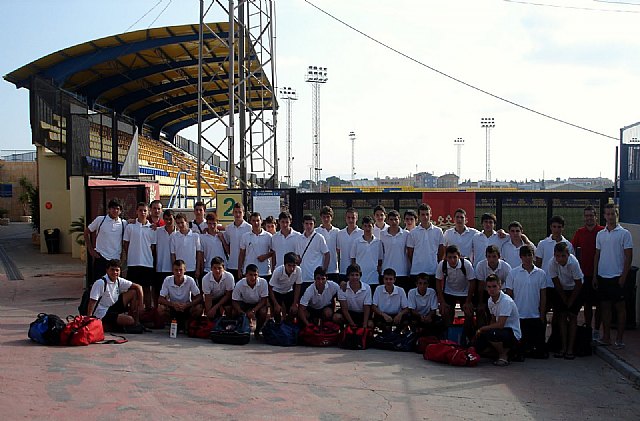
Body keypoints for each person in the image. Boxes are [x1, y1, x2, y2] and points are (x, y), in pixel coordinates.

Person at [594, 203, 633, 349]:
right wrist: (595, 276)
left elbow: (628, 257)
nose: (610, 217)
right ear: (604, 216)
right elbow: (597, 255)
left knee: (620, 308)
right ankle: (606, 337)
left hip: (618, 277)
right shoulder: (600, 234)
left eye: (613, 214)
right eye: (608, 214)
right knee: (605, 308)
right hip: (603, 276)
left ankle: (620, 339)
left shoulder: (625, 234)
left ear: (617, 215)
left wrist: (624, 276)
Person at [505, 245, 547, 357]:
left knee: (540, 353)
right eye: (525, 255)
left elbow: (543, 297)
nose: (527, 258)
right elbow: (509, 296)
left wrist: (542, 315)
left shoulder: (541, 274)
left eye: (530, 255)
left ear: (533, 256)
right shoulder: (513, 273)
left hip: (535, 316)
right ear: (520, 257)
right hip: (519, 317)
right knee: (519, 351)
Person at [571, 205, 604, 340]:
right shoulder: (580, 232)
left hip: (600, 274)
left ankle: (597, 329)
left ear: (596, 216)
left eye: (591, 215)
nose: (589, 218)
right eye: (587, 216)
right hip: (584, 274)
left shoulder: (602, 232)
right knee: (587, 304)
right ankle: (588, 329)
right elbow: (572, 250)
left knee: (600, 305)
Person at [476, 275, 522, 367]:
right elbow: (493, 319)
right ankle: (496, 351)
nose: (491, 289)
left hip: (512, 334)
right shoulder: (490, 301)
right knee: (480, 342)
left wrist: (483, 328)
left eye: (494, 286)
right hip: (500, 331)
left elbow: (501, 324)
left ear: (500, 286)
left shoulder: (506, 301)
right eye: (489, 287)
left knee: (490, 333)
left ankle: (503, 355)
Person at [548, 242, 584, 359]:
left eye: (563, 256)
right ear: (554, 255)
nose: (560, 259)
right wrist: (564, 299)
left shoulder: (573, 263)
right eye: (558, 256)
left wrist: (571, 301)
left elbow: (578, 283)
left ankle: (570, 349)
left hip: (575, 289)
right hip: (561, 289)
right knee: (562, 316)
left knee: (572, 316)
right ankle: (563, 347)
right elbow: (556, 282)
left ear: (568, 255)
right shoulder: (552, 263)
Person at [87, 259, 143, 331]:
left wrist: (141, 305)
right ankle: (109, 325)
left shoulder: (119, 280)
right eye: (112, 270)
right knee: (130, 320)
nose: (114, 272)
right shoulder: (100, 283)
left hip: (113, 306)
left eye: (117, 270)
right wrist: (89, 319)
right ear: (107, 270)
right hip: (103, 312)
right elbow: (92, 302)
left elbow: (138, 287)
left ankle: (136, 321)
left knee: (133, 292)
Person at [436, 244, 476, 339]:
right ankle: (449, 336)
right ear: (446, 257)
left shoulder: (466, 264)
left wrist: (468, 301)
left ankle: (466, 336)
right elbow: (438, 282)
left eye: (455, 257)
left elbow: (472, 282)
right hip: (449, 292)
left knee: (469, 312)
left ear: (459, 256)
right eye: (449, 257)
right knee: (445, 312)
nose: (452, 260)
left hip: (465, 293)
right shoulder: (442, 264)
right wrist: (442, 302)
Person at [123, 202, 157, 311]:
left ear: (148, 213)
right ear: (136, 211)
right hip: (133, 263)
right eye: (140, 210)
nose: (143, 212)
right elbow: (126, 244)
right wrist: (133, 254)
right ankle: (134, 312)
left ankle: (147, 312)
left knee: (147, 289)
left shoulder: (152, 229)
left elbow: (152, 247)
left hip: (147, 263)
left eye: (145, 211)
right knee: (133, 289)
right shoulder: (130, 227)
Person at [84, 199, 128, 282]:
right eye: (113, 208)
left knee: (115, 286)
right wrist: (90, 250)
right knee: (98, 284)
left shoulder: (123, 223)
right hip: (101, 257)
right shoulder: (100, 220)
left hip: (115, 260)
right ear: (109, 209)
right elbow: (86, 232)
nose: (115, 211)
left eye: (117, 209)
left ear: (120, 211)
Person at [406, 203, 445, 290]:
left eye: (427, 214)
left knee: (432, 299)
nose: (425, 217)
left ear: (431, 214)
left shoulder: (438, 231)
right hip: (416, 271)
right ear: (419, 216)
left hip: (433, 271)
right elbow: (410, 253)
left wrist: (436, 264)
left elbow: (441, 251)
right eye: (423, 214)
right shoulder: (413, 232)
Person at [158, 259, 203, 329]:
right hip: (173, 307)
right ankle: (171, 323)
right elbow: (160, 299)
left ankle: (188, 324)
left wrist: (187, 305)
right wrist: (173, 304)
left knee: (199, 308)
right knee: (160, 309)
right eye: (176, 270)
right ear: (172, 270)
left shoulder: (190, 280)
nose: (178, 272)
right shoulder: (167, 280)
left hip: (186, 307)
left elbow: (199, 297)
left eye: (181, 270)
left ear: (185, 270)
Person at [474, 245, 512, 325]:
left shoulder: (506, 267)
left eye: (494, 256)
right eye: (489, 256)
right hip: (485, 292)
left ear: (499, 256)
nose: (491, 259)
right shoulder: (481, 266)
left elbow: (509, 286)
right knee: (480, 311)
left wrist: (509, 301)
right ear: (486, 257)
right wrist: (481, 303)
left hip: (501, 293)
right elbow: (480, 286)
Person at [231, 263, 269, 337]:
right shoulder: (239, 284)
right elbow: (234, 300)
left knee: (264, 311)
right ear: (246, 275)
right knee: (234, 311)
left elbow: (264, 300)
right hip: (244, 303)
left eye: (255, 275)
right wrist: (241, 312)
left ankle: (257, 331)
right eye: (251, 275)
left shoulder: (263, 282)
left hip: (257, 304)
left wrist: (254, 310)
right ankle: (238, 329)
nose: (253, 277)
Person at [296, 214, 330, 294]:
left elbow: (327, 254)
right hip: (303, 277)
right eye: (306, 224)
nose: (308, 226)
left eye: (311, 224)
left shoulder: (319, 237)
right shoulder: (299, 238)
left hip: (315, 277)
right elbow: (298, 256)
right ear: (303, 224)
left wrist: (323, 270)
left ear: (314, 225)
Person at [380, 210, 411, 293]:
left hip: (402, 271)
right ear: (387, 220)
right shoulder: (382, 234)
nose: (393, 222)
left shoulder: (406, 234)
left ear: (400, 220)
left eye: (396, 219)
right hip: (386, 270)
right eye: (391, 219)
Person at [350, 215, 383, 288]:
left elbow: (380, 260)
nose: (367, 228)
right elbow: (353, 259)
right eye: (365, 226)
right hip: (360, 280)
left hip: (374, 279)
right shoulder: (356, 242)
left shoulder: (378, 242)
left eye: (369, 226)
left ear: (373, 227)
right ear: (362, 227)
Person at [337, 264, 373, 329]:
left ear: (360, 276)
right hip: (349, 313)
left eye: (357, 275)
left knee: (370, 324)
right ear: (348, 276)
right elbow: (344, 309)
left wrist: (364, 326)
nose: (355, 277)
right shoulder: (342, 288)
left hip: (362, 313)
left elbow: (367, 308)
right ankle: (342, 333)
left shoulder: (367, 288)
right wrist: (352, 324)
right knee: (337, 317)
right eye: (352, 275)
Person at [268, 252, 302, 322]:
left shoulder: (298, 270)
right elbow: (270, 287)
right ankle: (277, 325)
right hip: (276, 291)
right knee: (277, 311)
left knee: (294, 311)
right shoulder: (278, 271)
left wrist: (295, 303)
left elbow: (298, 286)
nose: (292, 268)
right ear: (284, 264)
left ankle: (288, 326)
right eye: (289, 265)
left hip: (288, 291)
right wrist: (275, 304)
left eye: (294, 266)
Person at [238, 212, 272, 280]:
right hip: (248, 272)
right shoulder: (245, 236)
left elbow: (273, 252)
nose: (256, 223)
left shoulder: (269, 236)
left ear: (261, 221)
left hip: (264, 272)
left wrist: (265, 256)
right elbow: (242, 254)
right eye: (253, 221)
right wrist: (239, 269)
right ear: (250, 222)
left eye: (258, 220)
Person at [170, 213, 204, 281]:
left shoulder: (195, 236)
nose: (180, 225)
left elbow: (198, 253)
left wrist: (198, 269)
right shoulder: (174, 236)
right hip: (180, 270)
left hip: (192, 269)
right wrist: (175, 269)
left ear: (186, 221)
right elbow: (173, 254)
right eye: (178, 223)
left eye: (182, 222)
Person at [154, 209, 177, 308]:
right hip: (160, 268)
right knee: (159, 295)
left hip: (174, 270)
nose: (168, 221)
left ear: (174, 219)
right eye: (166, 219)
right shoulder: (157, 231)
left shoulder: (179, 233)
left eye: (170, 219)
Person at [224, 202, 252, 280]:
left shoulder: (249, 228)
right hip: (231, 265)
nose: (238, 214)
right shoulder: (228, 228)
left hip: (245, 265)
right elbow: (228, 246)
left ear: (243, 213)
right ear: (233, 213)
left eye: (240, 212)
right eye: (236, 212)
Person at [336, 207, 363, 282]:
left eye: (353, 218)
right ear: (345, 218)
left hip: (357, 272)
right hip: (343, 271)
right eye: (348, 217)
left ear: (357, 218)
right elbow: (338, 251)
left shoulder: (362, 233)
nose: (351, 220)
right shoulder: (340, 234)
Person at [315, 206, 340, 282]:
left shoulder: (337, 231)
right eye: (324, 217)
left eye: (328, 217)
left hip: (334, 269)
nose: (326, 219)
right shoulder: (316, 232)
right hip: (319, 268)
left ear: (331, 218)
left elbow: (338, 250)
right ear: (320, 217)